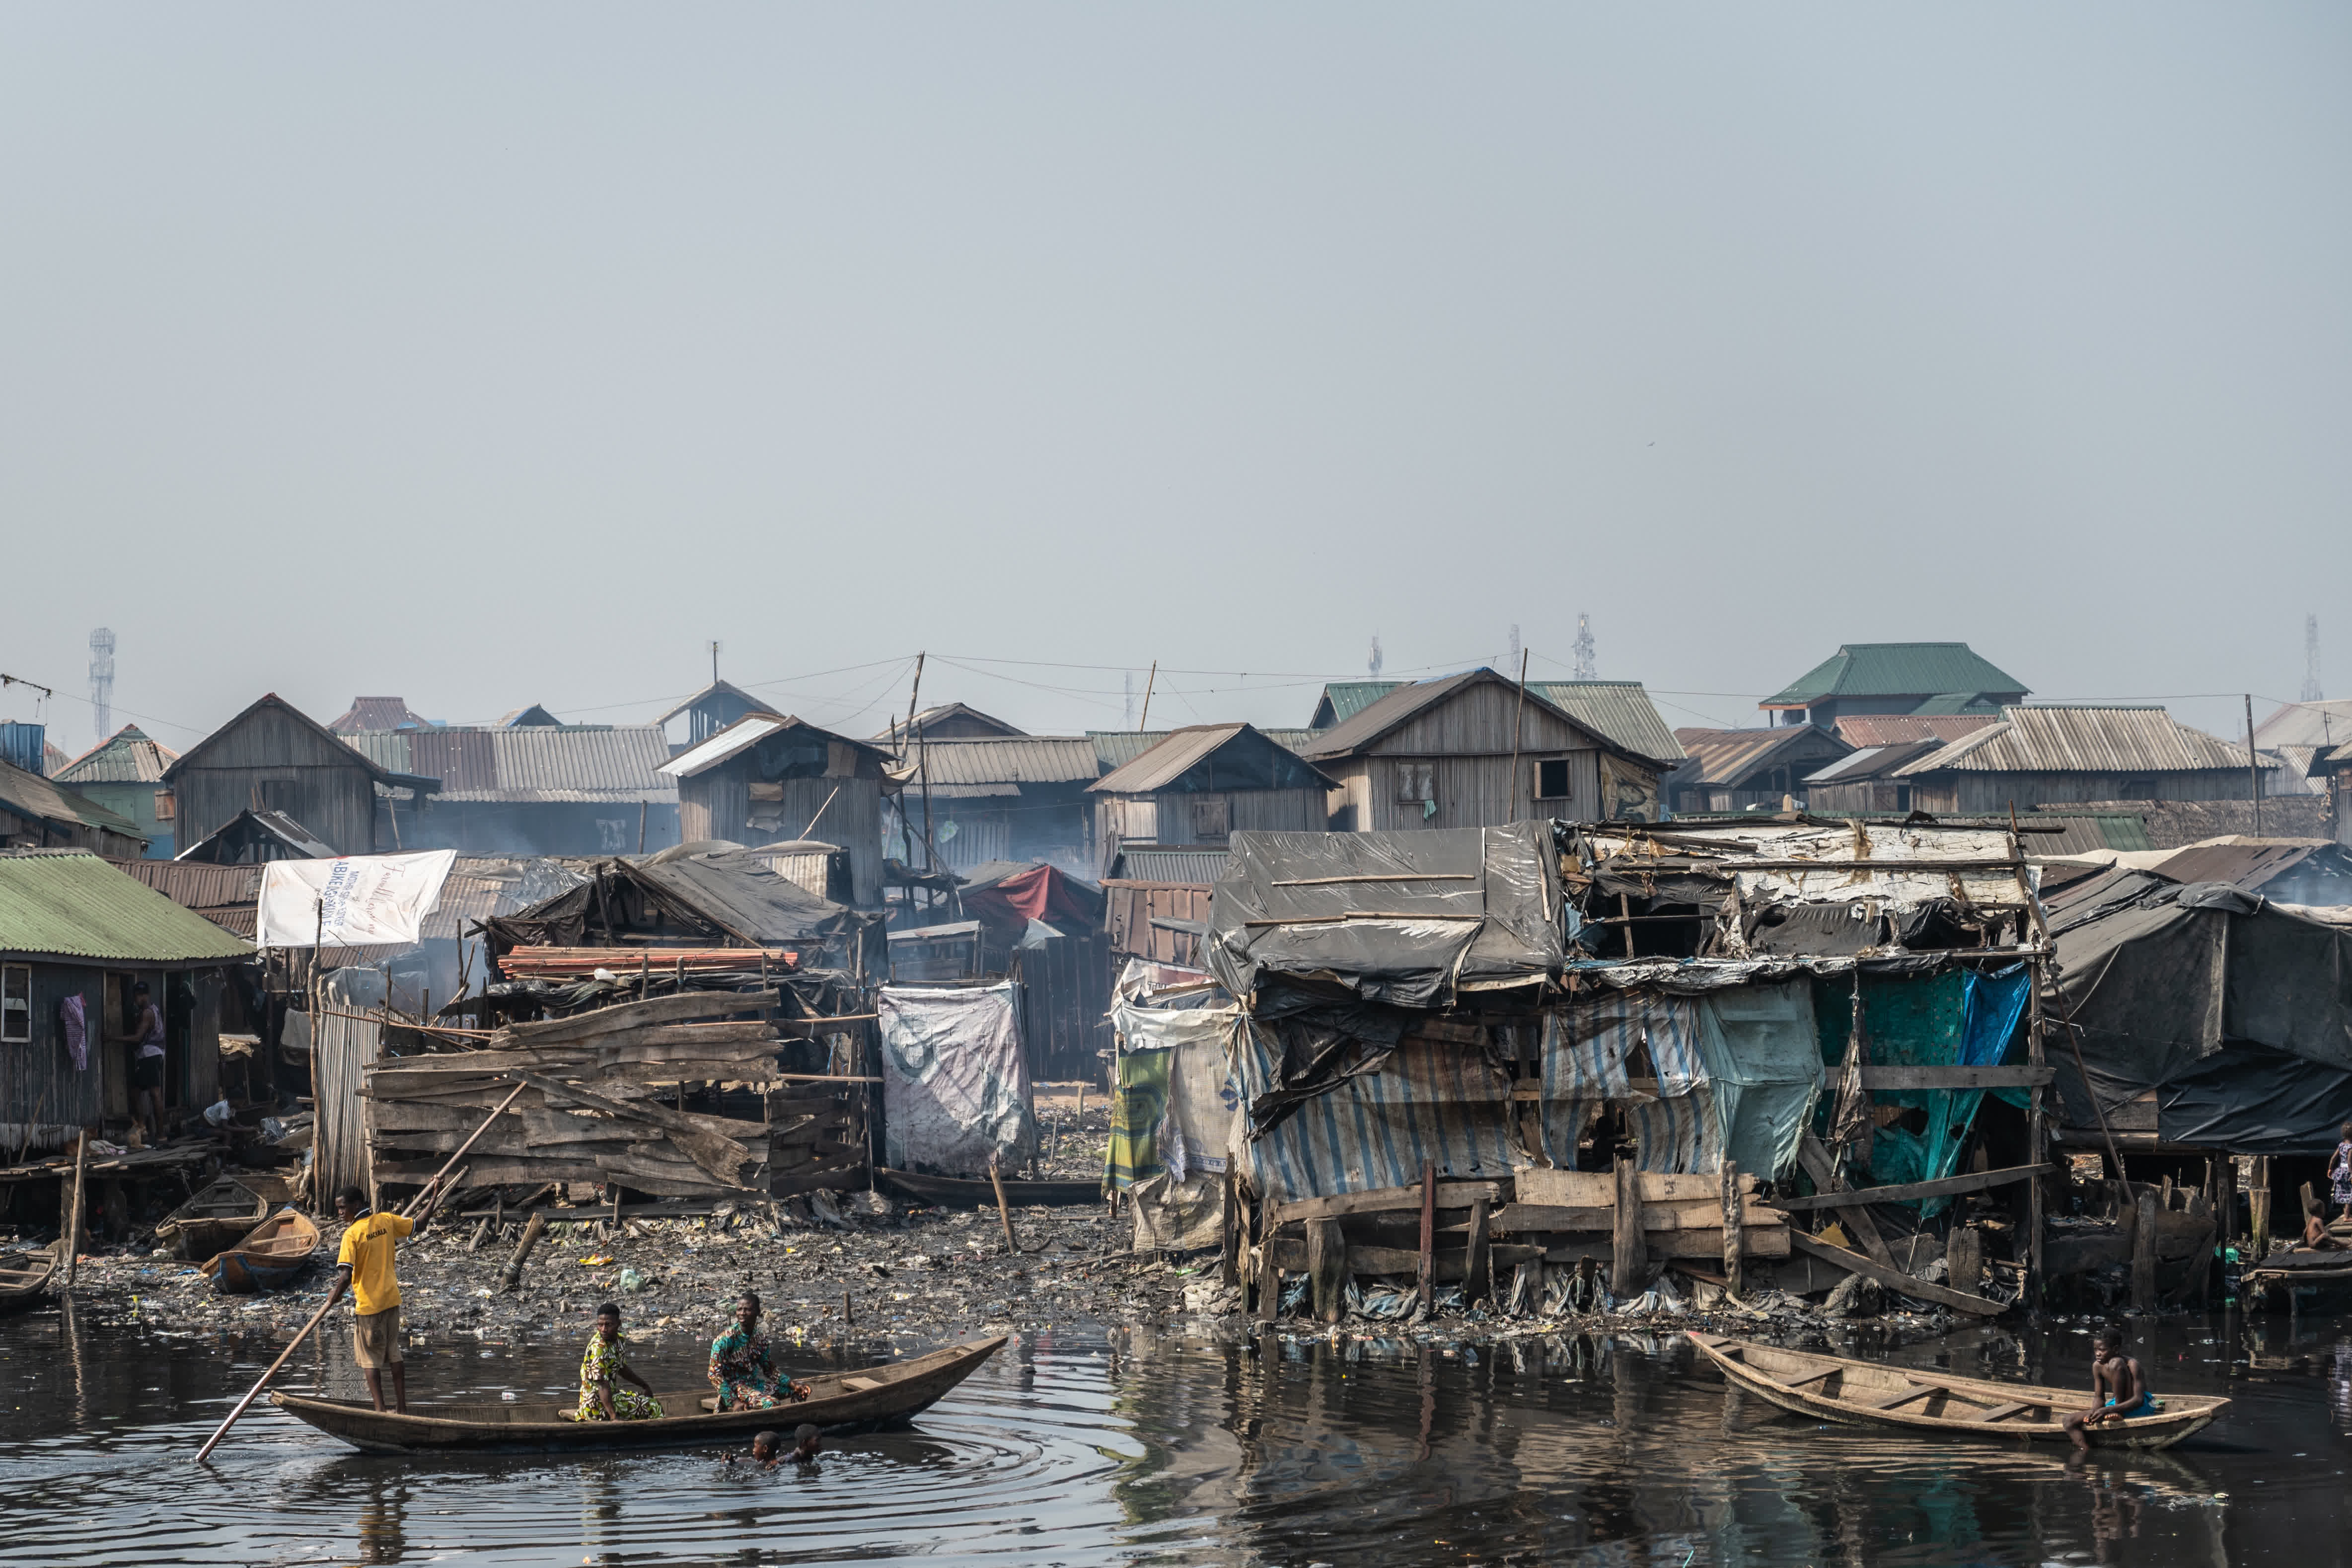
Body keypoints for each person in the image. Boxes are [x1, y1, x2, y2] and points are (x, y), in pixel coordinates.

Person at [330, 1182, 433, 1414]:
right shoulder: (386, 1221)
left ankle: (379, 1411)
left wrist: (334, 1297)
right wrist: (435, 1196)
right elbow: (421, 1224)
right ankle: (402, 1408)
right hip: (391, 1301)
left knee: (370, 1360)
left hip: (369, 1306)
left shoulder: (352, 1234)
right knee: (394, 1353)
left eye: (342, 1208)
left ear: (356, 1206)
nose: (339, 1213)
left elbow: (345, 1275)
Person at [708, 1290, 809, 1412]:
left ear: (758, 1313)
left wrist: (793, 1384)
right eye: (740, 1310)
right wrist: (734, 1402)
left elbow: (770, 1371)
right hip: (734, 1389)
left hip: (753, 1384)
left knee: (796, 1392)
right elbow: (714, 1375)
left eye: (748, 1310)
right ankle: (725, 1402)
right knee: (772, 1404)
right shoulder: (725, 1340)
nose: (742, 1314)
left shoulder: (760, 1339)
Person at [2064, 1327, 2154, 1450]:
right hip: (2114, 1407)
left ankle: (2117, 1413)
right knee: (2068, 1421)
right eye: (2095, 1349)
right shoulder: (2097, 1366)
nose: (2098, 1353)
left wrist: (2110, 1409)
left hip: (2136, 1406)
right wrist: (2094, 1412)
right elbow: (2099, 1397)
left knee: (2116, 1363)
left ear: (2115, 1349)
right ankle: (2086, 1451)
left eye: (2102, 1350)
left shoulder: (2133, 1365)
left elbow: (2138, 1400)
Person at [576, 1303, 663, 1421]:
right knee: (654, 1407)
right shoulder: (598, 1348)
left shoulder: (619, 1340)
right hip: (595, 1405)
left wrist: (645, 1385)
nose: (604, 1329)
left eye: (608, 1325)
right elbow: (602, 1385)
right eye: (600, 1325)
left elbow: (622, 1369)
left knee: (642, 1397)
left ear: (619, 1324)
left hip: (611, 1395)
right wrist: (614, 1417)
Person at [107, 981, 167, 1145]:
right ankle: (144, 1128)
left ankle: (159, 1134)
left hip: (150, 1056)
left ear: (144, 996)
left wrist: (112, 1038)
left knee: (154, 1094)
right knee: (136, 1091)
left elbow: (137, 1038)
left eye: (138, 997)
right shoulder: (152, 1009)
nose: (136, 1000)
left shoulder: (147, 1013)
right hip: (152, 1055)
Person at [2331, 1123, 2352, 1221]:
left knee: (2343, 1192)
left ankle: (2345, 1215)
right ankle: (2347, 1217)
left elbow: (2333, 1158)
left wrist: (2330, 1169)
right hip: (2347, 1172)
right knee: (2349, 1194)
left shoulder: (2341, 1145)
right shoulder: (2350, 1148)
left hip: (2340, 1172)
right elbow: (2349, 1162)